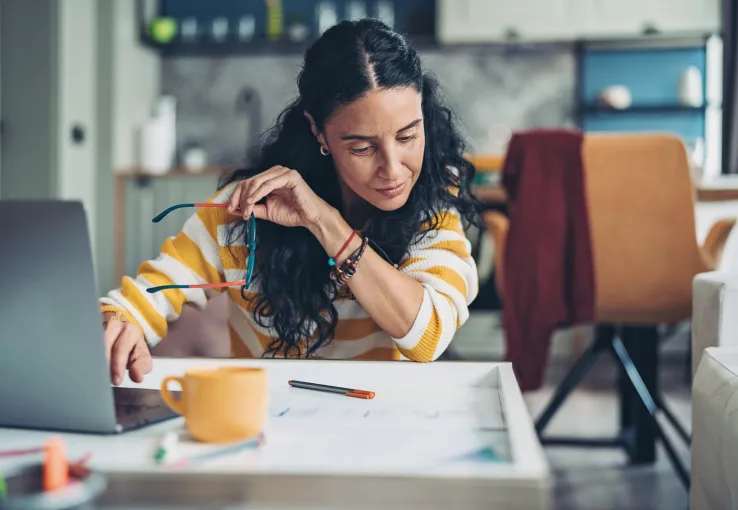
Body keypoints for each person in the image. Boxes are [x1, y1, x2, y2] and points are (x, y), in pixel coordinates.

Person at [100, 19, 482, 385]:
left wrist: (325, 222)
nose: (394, 170)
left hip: (378, 424)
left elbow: (428, 336)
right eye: (362, 147)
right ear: (319, 131)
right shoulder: (250, 207)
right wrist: (121, 323)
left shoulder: (433, 204)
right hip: (266, 423)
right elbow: (148, 293)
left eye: (407, 137)